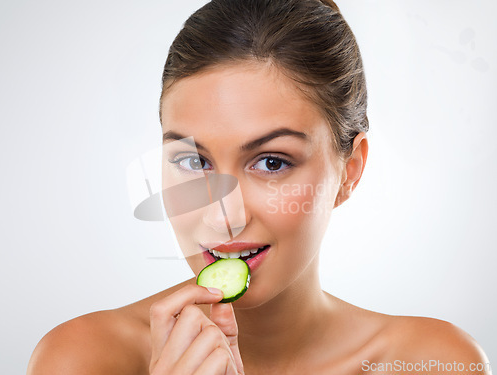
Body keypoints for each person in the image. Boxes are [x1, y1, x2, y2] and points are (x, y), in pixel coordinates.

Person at [27, 0, 491, 374]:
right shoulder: (82, 359)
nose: (222, 215)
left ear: (349, 171)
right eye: (194, 161)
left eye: (271, 162)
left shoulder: (430, 362)